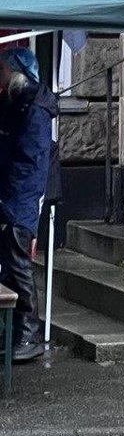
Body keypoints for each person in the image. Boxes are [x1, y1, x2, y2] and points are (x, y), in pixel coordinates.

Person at [0, 46, 55, 363]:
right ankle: (14, 331)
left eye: (4, 71)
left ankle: (28, 335)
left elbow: (29, 161)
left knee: (20, 266)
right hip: (12, 194)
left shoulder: (32, 108)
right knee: (10, 265)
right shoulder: (18, 104)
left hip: (20, 199)